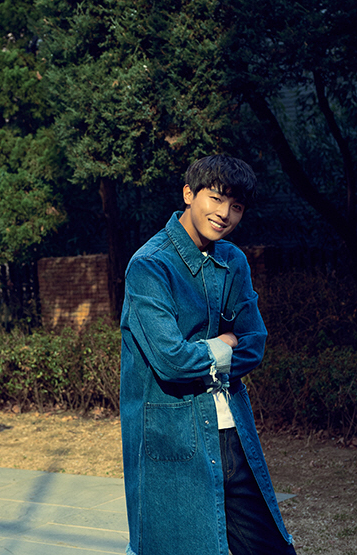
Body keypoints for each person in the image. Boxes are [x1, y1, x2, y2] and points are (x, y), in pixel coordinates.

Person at [120, 155, 297, 555]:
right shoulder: (150, 266)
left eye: (236, 206)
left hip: (233, 434)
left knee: (271, 547)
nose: (224, 214)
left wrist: (212, 350)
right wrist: (224, 344)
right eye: (216, 198)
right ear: (189, 193)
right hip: (174, 439)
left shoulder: (233, 261)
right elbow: (171, 360)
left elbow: (255, 341)